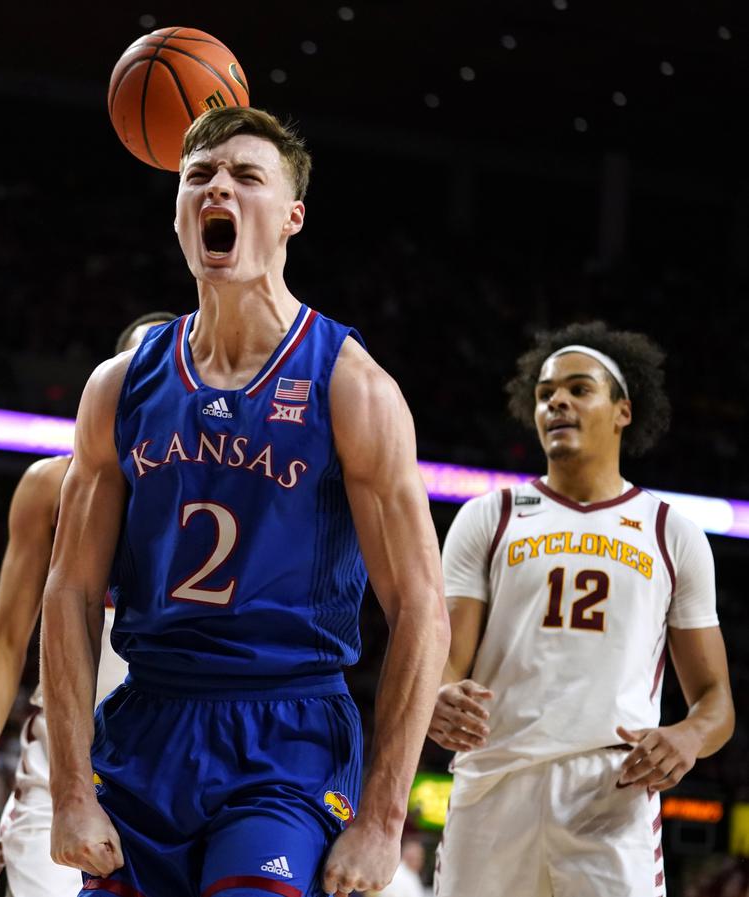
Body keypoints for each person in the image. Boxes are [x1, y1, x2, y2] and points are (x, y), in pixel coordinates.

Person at [40, 106, 450, 897]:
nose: (216, 188)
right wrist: (69, 790)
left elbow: (421, 606)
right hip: (148, 722)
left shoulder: (350, 383)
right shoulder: (120, 385)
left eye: (245, 176)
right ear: (178, 210)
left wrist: (382, 818)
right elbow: (71, 591)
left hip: (286, 731)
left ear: (292, 216)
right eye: (199, 176)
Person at [429, 321, 733, 896]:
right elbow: (445, 661)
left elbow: (716, 699)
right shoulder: (488, 516)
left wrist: (688, 738)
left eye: (578, 388)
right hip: (493, 783)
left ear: (624, 410)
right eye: (545, 394)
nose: (557, 401)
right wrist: (438, 695)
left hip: (610, 789)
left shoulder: (671, 532)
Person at [0, 312, 176, 897]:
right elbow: (4, 640)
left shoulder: (221, 497)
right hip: (58, 773)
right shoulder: (51, 485)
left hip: (167, 773)